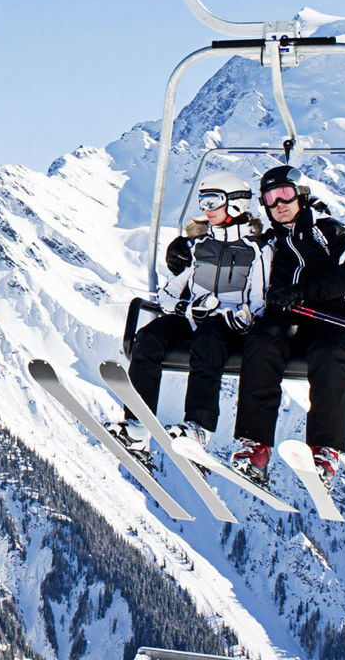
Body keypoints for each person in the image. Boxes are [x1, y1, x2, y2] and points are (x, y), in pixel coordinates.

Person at [108, 171, 269, 463]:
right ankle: (137, 426)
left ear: (235, 204)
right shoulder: (198, 247)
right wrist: (184, 308)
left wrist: (233, 315)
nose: (206, 209)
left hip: (229, 327)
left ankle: (198, 427)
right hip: (195, 317)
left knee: (208, 342)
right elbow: (169, 294)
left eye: (213, 201)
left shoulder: (256, 251)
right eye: (202, 202)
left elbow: (259, 304)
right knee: (149, 337)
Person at [230, 165, 345, 487]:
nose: (279, 204)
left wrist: (304, 291)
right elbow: (231, 258)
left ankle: (324, 450)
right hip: (284, 316)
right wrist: (183, 252)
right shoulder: (268, 240)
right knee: (262, 341)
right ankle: (255, 447)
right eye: (271, 198)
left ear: (301, 195)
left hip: (328, 315)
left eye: (285, 194)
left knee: (331, 352)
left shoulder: (331, 231)